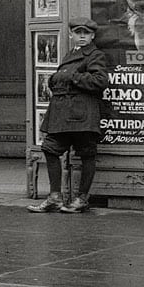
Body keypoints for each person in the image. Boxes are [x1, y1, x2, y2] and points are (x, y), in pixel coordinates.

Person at [34, 20, 109, 214]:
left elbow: (100, 81)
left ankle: (82, 198)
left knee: (86, 153)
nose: (82, 36)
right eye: (78, 32)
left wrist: (73, 77)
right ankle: (55, 197)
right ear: (71, 35)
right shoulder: (71, 55)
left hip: (82, 113)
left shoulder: (95, 55)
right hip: (62, 113)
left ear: (93, 36)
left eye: (86, 33)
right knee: (50, 148)